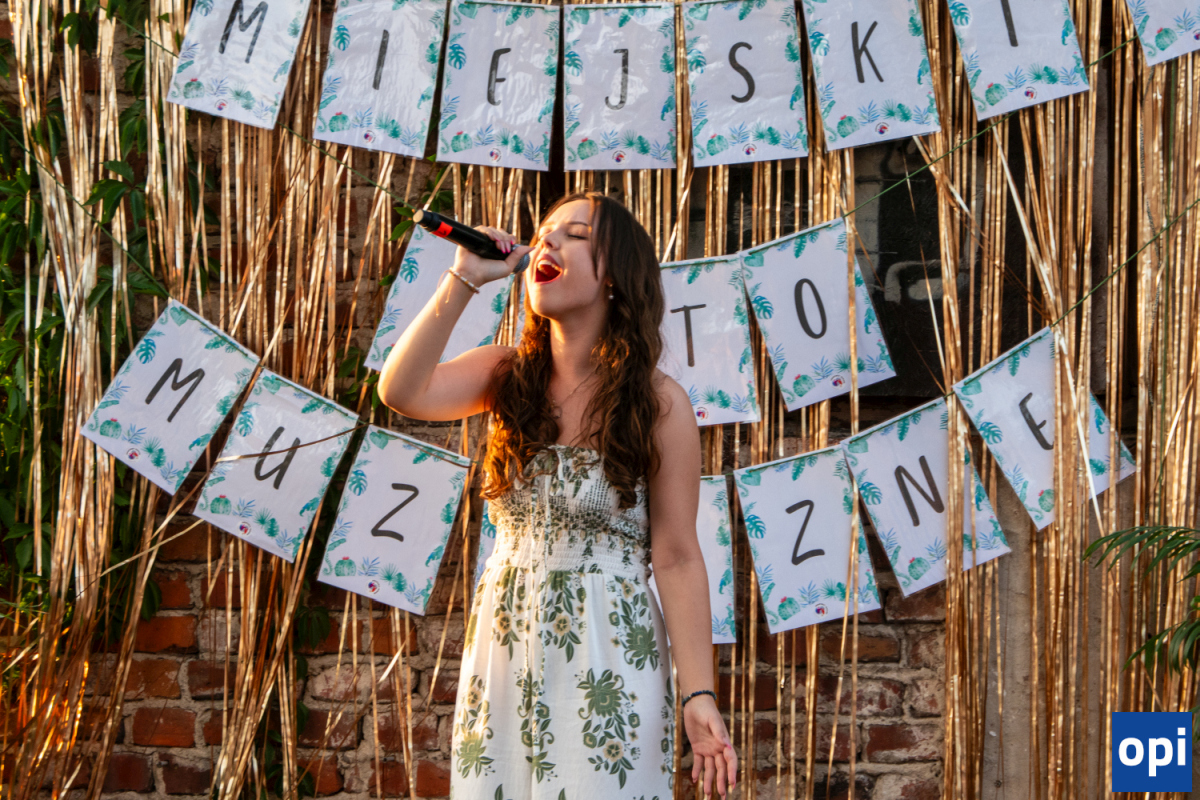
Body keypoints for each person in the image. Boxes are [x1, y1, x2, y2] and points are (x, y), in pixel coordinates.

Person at [379, 192, 737, 799]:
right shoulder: (504, 376)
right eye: (545, 232)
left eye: (575, 235)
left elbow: (677, 556)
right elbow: (401, 391)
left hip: (610, 654)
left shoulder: (660, 404)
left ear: (615, 275)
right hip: (505, 646)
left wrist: (698, 693)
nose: (548, 242)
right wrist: (464, 278)